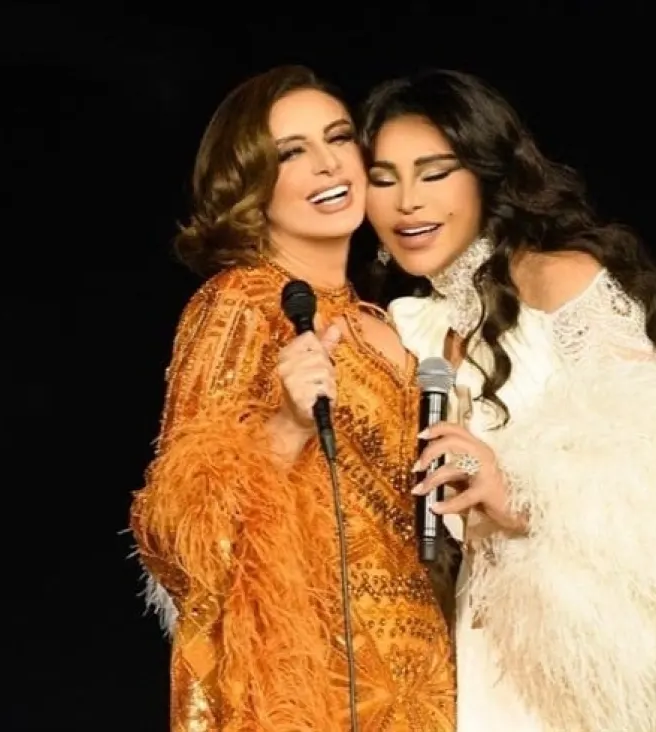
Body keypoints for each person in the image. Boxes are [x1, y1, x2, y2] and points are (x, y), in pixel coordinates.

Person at [359, 69, 656, 732]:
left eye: (435, 172)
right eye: (383, 179)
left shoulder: (559, 280)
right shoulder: (414, 326)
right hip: (491, 656)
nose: (408, 203)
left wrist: (519, 497)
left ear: (487, 176)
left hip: (613, 662)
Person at [129, 65, 457, 730]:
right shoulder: (241, 303)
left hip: (429, 678)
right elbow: (171, 534)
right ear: (249, 186)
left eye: (338, 138)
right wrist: (285, 427)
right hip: (305, 682)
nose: (328, 163)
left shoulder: (393, 325)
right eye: (291, 153)